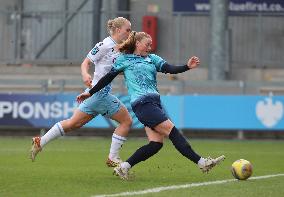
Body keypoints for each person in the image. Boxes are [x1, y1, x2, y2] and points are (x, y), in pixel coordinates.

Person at [76, 31, 225, 180]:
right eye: (147, 44)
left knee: (156, 144)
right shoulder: (124, 59)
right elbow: (106, 78)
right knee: (172, 132)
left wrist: (187, 66)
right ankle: (202, 162)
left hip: (154, 103)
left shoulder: (152, 59)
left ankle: (124, 167)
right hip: (143, 104)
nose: (150, 47)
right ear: (137, 44)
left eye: (151, 45)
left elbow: (169, 68)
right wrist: (90, 92)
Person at [30, 17, 133, 167]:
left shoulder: (120, 48)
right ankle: (113, 157)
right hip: (100, 94)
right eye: (127, 30)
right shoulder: (104, 45)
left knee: (73, 124)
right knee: (126, 121)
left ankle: (41, 141)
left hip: (93, 93)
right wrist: (85, 74)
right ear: (118, 30)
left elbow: (113, 70)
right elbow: (86, 62)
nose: (129, 33)